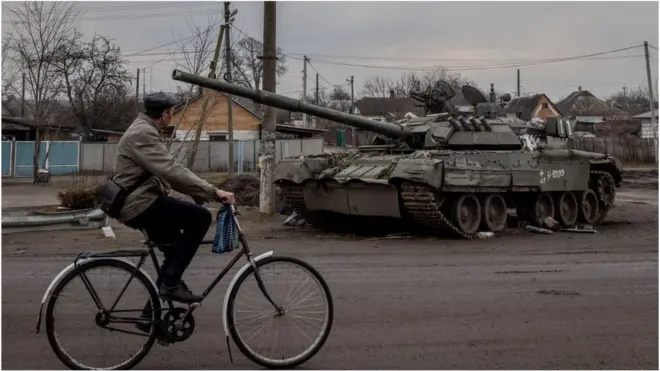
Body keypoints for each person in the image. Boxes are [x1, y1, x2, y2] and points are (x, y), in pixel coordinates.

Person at [113, 92, 235, 305]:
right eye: (172, 112)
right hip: (139, 204)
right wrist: (213, 192)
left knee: (174, 254)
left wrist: (199, 193)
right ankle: (170, 285)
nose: (173, 116)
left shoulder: (145, 130)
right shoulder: (142, 134)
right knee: (200, 218)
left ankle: (150, 315)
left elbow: (165, 174)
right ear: (165, 114)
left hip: (140, 201)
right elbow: (170, 170)